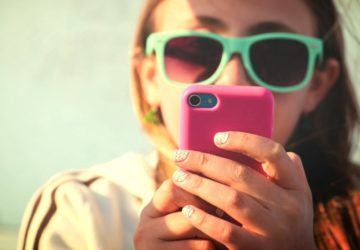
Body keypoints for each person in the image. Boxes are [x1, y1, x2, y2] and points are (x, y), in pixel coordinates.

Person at [18, 0, 360, 249]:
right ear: (150, 79)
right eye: (196, 50)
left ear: (317, 85)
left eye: (278, 55)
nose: (233, 79)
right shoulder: (83, 209)